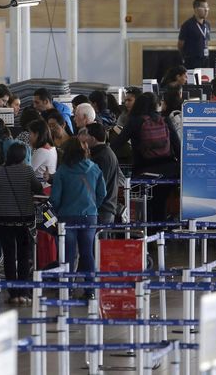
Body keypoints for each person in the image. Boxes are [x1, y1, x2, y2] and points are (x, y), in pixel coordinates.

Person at [0, 142, 44, 306]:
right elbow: (38, 189)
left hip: (2, 220)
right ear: (23, 157)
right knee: (24, 256)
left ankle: (13, 294)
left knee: (9, 256)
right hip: (23, 219)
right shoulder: (27, 171)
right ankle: (23, 292)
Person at [49, 138, 106, 300]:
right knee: (87, 253)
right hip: (89, 217)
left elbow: (55, 198)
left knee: (68, 254)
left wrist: (59, 210)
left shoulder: (62, 171)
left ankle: (66, 289)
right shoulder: (94, 169)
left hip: (67, 217)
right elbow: (102, 193)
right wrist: (93, 206)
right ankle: (90, 290)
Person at [111, 92, 180, 222]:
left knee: (144, 205)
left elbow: (117, 144)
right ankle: (160, 236)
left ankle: (146, 235)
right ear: (155, 105)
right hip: (168, 172)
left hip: (144, 172)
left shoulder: (135, 121)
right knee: (160, 203)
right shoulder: (165, 120)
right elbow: (177, 145)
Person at [81, 123, 122, 224]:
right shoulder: (105, 153)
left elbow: (99, 186)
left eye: (86, 135)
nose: (84, 139)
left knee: (99, 239)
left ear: (93, 138)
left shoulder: (102, 157)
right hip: (105, 207)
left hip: (102, 209)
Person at [178, 0, 211, 69]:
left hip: (205, 59)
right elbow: (180, 44)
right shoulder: (187, 25)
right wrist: (184, 57)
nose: (206, 10)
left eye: (207, 7)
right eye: (203, 8)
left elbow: (206, 41)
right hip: (192, 61)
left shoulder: (207, 24)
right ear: (196, 9)